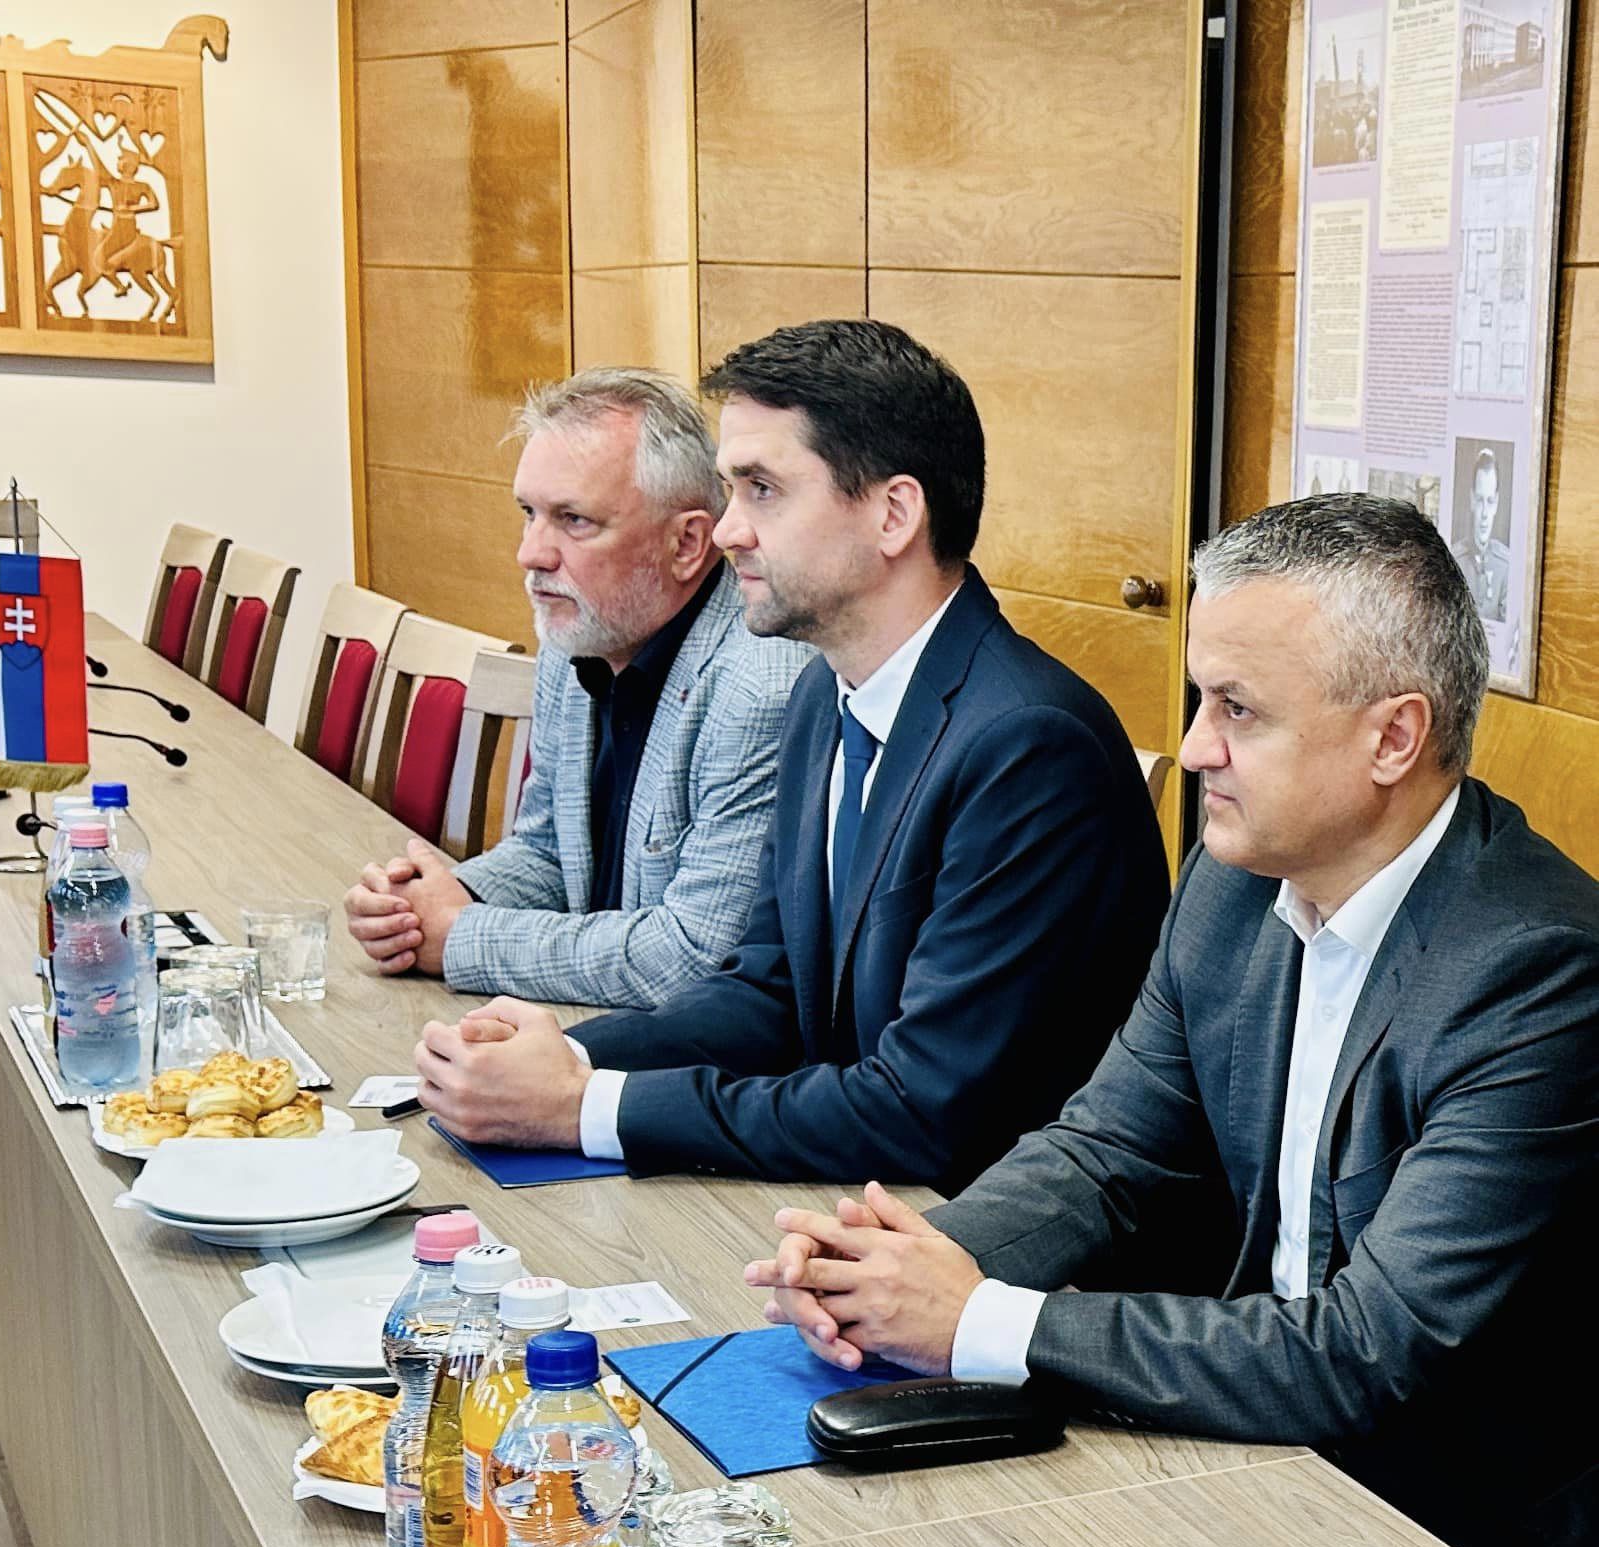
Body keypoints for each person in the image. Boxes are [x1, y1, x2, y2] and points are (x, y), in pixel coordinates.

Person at [751, 493, 1599, 1547]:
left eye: (1236, 710)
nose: (1195, 747)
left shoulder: (1535, 974)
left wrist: (981, 1320)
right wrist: (902, 1265)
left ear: (1391, 738)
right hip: (1249, 1451)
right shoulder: (1232, 881)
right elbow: (1105, 1152)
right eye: (1201, 701)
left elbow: (1365, 1353)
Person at [412, 319, 1168, 1189]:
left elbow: (923, 1111)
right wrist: (564, 1058)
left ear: (892, 515)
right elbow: (765, 992)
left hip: (967, 1227)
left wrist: (586, 1106)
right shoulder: (822, 692)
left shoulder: (1028, 746)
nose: (726, 530)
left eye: (762, 490)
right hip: (853, 1196)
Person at [343, 368, 808, 1009]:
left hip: (679, 1053)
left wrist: (460, 935)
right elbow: (550, 854)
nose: (532, 553)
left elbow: (695, 957)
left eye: (574, 520)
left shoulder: (761, 689)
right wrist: (425, 905)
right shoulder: (575, 644)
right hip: (576, 1016)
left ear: (686, 543)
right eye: (529, 514)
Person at [1450, 447, 1509, 621]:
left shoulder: (1506, 566)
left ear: (1496, 504)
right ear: (1471, 500)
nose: (1484, 513)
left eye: (1490, 502)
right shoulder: (1454, 559)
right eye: (1479, 500)